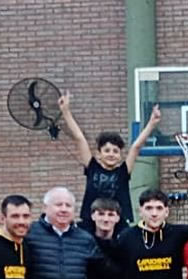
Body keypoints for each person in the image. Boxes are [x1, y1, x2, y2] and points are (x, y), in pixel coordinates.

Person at [58, 91, 158, 227]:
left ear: (120, 155)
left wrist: (151, 123)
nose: (111, 154)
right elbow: (79, 138)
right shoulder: (92, 167)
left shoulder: (123, 171)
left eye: (115, 151)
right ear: (99, 154)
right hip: (91, 221)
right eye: (107, 151)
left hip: (118, 222)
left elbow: (136, 146)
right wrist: (66, 111)